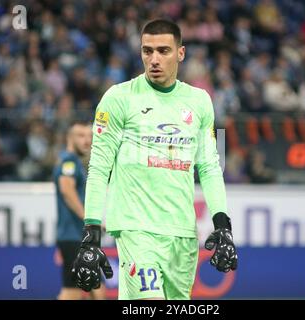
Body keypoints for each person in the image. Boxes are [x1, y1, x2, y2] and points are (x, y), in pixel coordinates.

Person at [72, 19, 238, 300]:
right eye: (147, 51)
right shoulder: (118, 98)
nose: (154, 59)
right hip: (137, 229)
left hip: (183, 233)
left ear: (181, 53)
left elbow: (209, 167)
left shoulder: (199, 101)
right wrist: (91, 233)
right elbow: (99, 168)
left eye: (163, 50)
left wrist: (223, 226)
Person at [54, 121, 106, 300]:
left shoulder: (74, 162)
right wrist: (89, 219)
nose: (87, 141)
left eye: (90, 136)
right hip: (74, 235)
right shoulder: (69, 162)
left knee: (87, 289)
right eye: (81, 136)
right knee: (80, 291)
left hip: (76, 237)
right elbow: (66, 189)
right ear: (70, 138)